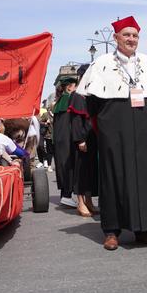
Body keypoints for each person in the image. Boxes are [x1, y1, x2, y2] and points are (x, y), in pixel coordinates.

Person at [77, 15, 147, 250]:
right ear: (116, 37)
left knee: (145, 178)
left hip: (144, 129)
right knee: (114, 176)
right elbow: (91, 103)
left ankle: (143, 229)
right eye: (126, 35)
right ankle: (112, 231)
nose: (131, 39)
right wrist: (104, 128)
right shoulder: (102, 64)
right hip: (115, 130)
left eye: (135, 35)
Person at [68, 89, 99, 217]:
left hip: (92, 139)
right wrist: (80, 140)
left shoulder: (91, 94)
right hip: (82, 140)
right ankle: (80, 203)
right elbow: (76, 121)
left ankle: (89, 201)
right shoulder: (77, 95)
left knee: (90, 171)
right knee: (81, 171)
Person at [52, 77, 78, 207]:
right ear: (69, 87)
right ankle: (67, 195)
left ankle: (65, 195)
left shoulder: (61, 100)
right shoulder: (68, 99)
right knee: (67, 165)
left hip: (60, 139)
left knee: (63, 166)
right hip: (66, 139)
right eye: (75, 86)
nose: (76, 89)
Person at [38, 101, 54, 171]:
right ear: (51, 107)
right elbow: (39, 122)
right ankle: (49, 165)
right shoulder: (46, 114)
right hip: (49, 135)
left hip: (57, 136)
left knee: (57, 152)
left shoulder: (58, 114)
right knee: (49, 151)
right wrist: (45, 123)